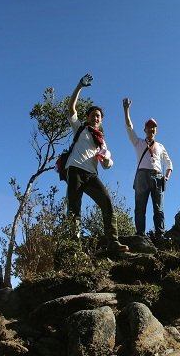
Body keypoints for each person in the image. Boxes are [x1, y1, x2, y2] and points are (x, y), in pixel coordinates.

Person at [65, 74, 128, 252]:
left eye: (98, 116)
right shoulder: (80, 128)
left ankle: (113, 242)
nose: (96, 118)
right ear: (87, 118)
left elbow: (107, 165)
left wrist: (106, 158)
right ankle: (73, 245)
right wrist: (79, 87)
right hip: (75, 170)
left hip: (91, 175)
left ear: (101, 120)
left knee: (107, 201)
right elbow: (71, 108)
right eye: (93, 115)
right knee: (74, 208)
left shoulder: (102, 141)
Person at [123, 98, 173, 238]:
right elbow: (129, 128)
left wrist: (166, 177)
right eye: (149, 127)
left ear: (156, 130)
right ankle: (140, 235)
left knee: (159, 209)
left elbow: (169, 163)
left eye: (153, 127)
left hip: (158, 177)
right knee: (140, 208)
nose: (151, 129)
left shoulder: (161, 146)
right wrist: (126, 109)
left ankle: (160, 235)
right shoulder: (138, 142)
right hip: (141, 176)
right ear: (144, 130)